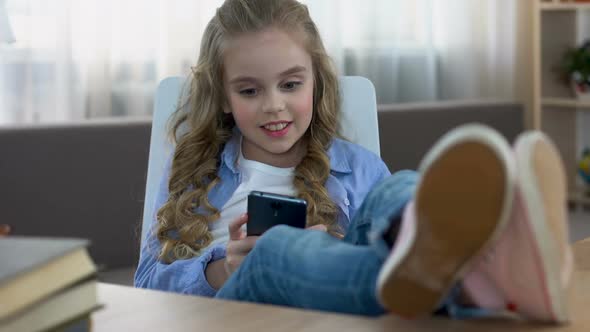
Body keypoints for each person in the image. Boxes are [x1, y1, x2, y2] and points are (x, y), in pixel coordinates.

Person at [135, 0, 572, 323]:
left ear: (316, 81)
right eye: (249, 91)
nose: (274, 105)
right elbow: (145, 286)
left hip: (331, 317)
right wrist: (220, 270)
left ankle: (480, 263)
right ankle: (479, 277)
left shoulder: (356, 166)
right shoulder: (193, 169)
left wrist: (329, 253)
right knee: (275, 250)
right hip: (239, 312)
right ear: (224, 97)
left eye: (290, 84)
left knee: (399, 188)